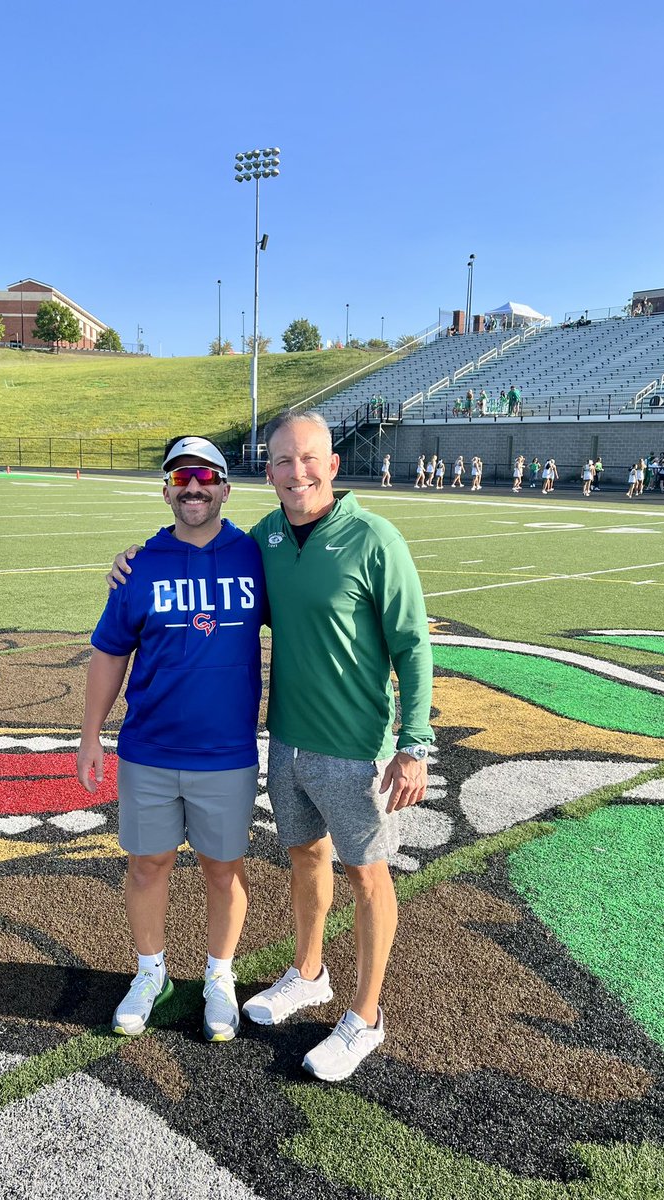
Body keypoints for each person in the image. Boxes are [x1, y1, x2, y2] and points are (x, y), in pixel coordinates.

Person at [110, 412, 434, 1083]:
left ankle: (366, 1016)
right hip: (286, 741)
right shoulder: (264, 541)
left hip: (358, 746)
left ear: (333, 465)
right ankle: (309, 973)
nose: (297, 473)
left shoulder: (375, 538)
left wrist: (415, 742)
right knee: (304, 861)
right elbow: (203, 560)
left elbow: (413, 642)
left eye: (309, 458)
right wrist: (131, 563)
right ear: (269, 472)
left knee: (367, 877)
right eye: (283, 461)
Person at [77, 435, 267, 1043]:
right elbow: (109, 654)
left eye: (206, 476)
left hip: (227, 753)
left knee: (224, 870)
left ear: (225, 488)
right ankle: (151, 971)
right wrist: (89, 737)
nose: (193, 487)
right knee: (146, 866)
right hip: (150, 751)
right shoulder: (140, 564)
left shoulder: (256, 556)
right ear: (165, 489)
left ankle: (219, 976)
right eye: (181, 477)